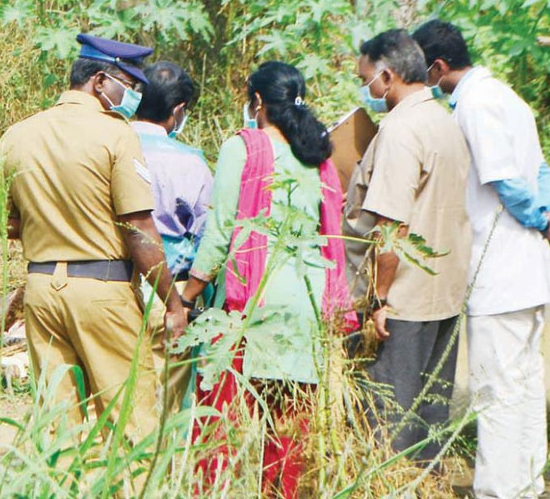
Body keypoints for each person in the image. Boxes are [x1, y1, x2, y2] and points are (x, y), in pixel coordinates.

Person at [0, 34, 187, 444]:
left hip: (41, 292)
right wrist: (172, 303)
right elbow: (139, 228)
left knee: (58, 424)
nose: (131, 95)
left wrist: (47, 225)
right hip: (102, 292)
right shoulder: (116, 134)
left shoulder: (19, 134)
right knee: (129, 419)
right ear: (99, 81)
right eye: (128, 85)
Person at [180, 61, 356, 497]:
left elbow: (220, 232)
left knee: (221, 423)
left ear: (257, 101)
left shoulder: (244, 147)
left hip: (252, 303)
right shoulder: (318, 156)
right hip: (306, 306)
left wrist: (187, 295)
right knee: (288, 428)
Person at [413, 19, 550, 498]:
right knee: (527, 387)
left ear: (438, 66)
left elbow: (505, 181)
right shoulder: (509, 97)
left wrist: (539, 217)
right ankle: (528, 485)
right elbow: (541, 168)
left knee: (496, 393)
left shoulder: (473, 104)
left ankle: (497, 491)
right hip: (530, 271)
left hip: (500, 272)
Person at [343, 29, 471, 462]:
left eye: (366, 79)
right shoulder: (445, 121)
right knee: (429, 419)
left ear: (387, 76)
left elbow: (389, 226)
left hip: (404, 301)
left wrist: (379, 299)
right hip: (445, 296)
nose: (366, 89)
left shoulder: (400, 131)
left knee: (391, 423)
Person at [130, 61, 213, 414]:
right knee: (165, 403)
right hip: (171, 293)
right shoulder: (189, 162)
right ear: (178, 111)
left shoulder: (108, 146)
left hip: (112, 284)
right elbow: (209, 234)